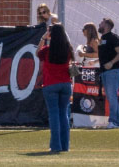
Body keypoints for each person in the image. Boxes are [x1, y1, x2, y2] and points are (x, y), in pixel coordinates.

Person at [38, 23, 74, 153]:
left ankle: (55, 145)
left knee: (54, 115)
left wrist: (43, 38)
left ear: (51, 34)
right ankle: (65, 146)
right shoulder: (68, 48)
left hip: (50, 84)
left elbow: (38, 53)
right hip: (65, 84)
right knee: (64, 114)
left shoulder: (47, 50)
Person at [96, 17, 119, 129]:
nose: (99, 24)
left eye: (101, 23)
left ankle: (114, 121)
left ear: (107, 25)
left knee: (112, 97)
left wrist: (111, 63)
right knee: (110, 97)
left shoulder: (114, 37)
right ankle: (117, 122)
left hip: (113, 71)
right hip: (105, 71)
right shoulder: (102, 38)